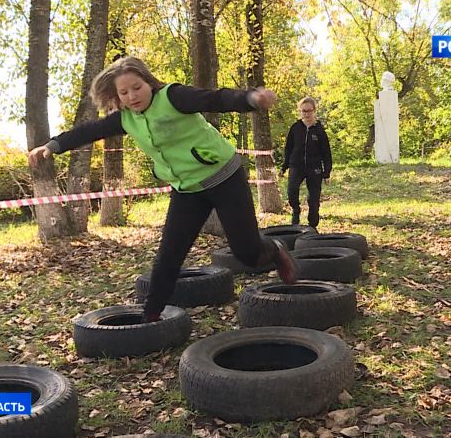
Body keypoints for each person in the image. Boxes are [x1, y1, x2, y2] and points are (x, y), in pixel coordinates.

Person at [29, 56, 297, 323]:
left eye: (137, 87)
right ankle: (150, 318)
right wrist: (53, 146)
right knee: (169, 255)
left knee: (247, 253)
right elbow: (89, 131)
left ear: (149, 82)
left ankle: (274, 250)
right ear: (117, 96)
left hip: (224, 178)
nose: (132, 96)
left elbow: (214, 99)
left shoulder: (173, 97)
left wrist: (250, 98)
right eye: (124, 92)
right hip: (186, 190)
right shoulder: (125, 119)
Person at [280, 96, 332, 228]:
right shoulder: (295, 128)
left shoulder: (319, 130)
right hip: (296, 166)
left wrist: (327, 172)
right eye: (303, 111)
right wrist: (284, 167)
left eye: (309, 111)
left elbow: (326, 152)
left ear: (314, 111)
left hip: (314, 167)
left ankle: (312, 224)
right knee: (292, 191)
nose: (306, 114)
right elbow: (288, 148)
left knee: (313, 198)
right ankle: (296, 211)